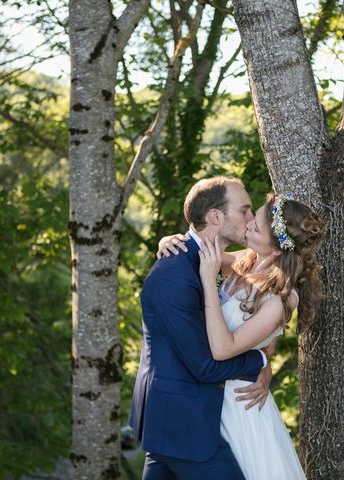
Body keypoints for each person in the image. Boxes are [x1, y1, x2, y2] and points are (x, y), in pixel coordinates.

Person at [159, 192, 325, 480]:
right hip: (210, 393)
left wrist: (210, 282)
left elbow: (224, 349)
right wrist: (168, 242)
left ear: (276, 250)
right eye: (252, 216)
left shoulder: (278, 301)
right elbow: (197, 254)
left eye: (256, 227)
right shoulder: (247, 260)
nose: (247, 224)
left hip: (239, 406)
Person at [128, 176, 275, 480]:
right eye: (244, 211)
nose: (250, 220)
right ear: (215, 217)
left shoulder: (207, 260)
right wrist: (260, 361)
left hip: (186, 419)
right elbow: (204, 366)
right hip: (183, 422)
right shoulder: (175, 275)